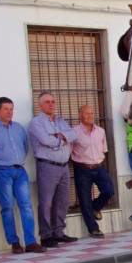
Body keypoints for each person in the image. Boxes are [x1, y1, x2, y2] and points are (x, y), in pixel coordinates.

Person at [0, 97, 45, 254]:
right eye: (6, 109)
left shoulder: (18, 128)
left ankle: (31, 242)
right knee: (7, 207)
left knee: (26, 206)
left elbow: (25, 148)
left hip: (20, 171)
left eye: (11, 109)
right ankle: (14, 242)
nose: (9, 112)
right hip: (1, 172)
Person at [28, 92, 78, 248]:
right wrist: (62, 139)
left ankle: (59, 232)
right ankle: (46, 235)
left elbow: (74, 134)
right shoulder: (36, 122)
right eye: (47, 102)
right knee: (46, 202)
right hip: (47, 166)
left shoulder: (60, 121)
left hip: (63, 166)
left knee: (63, 201)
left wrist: (60, 136)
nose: (51, 104)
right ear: (40, 105)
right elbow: (46, 140)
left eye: (53, 101)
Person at [71, 105, 115, 239]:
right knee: (84, 199)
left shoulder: (100, 131)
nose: (90, 116)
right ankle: (93, 229)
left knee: (109, 191)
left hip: (99, 166)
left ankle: (95, 208)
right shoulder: (74, 132)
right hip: (82, 168)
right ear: (80, 115)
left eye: (92, 113)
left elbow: (104, 150)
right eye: (87, 113)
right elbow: (69, 150)